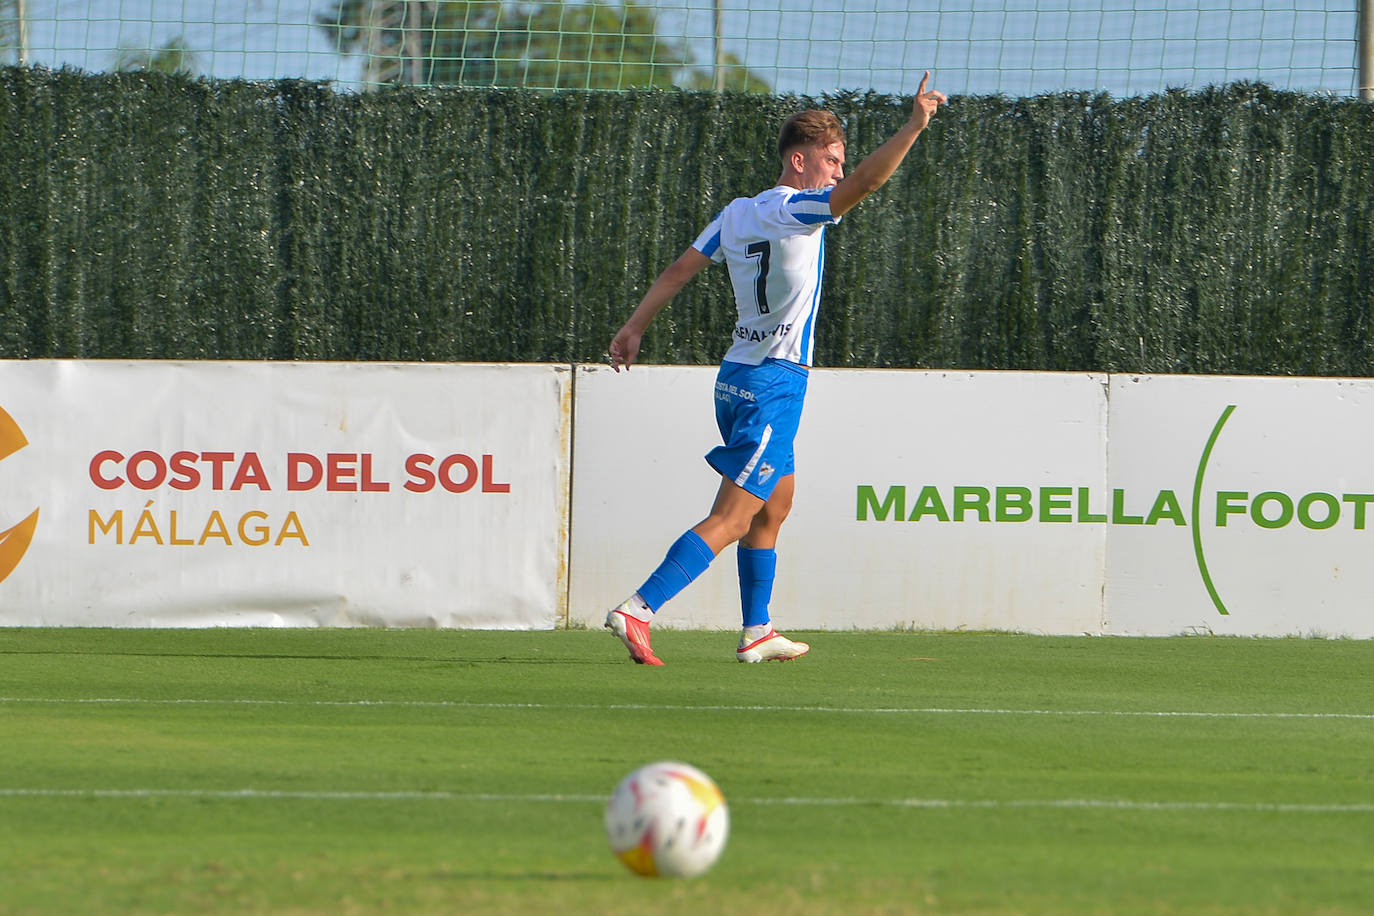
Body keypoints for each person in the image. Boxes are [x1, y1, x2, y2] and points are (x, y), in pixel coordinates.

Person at [605, 73, 948, 665]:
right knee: (733, 518)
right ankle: (638, 608)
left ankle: (757, 630)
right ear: (800, 160)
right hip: (774, 382)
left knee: (775, 505)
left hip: (736, 378)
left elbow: (678, 272)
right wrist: (913, 125)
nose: (839, 171)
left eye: (840, 161)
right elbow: (867, 183)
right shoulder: (800, 211)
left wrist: (634, 327)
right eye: (832, 159)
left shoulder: (737, 213)